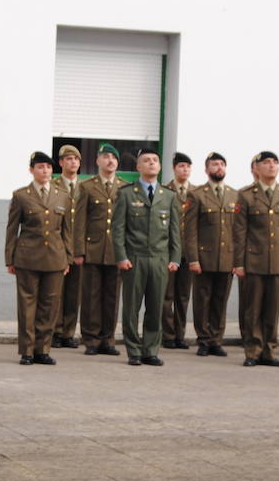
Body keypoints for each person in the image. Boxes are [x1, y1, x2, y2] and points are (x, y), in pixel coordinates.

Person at [113, 148, 181, 365]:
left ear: (159, 166)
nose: (151, 163)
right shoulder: (126, 193)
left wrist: (175, 257)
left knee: (156, 306)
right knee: (131, 307)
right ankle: (133, 351)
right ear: (138, 167)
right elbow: (118, 229)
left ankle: (151, 350)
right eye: (146, 161)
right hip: (135, 258)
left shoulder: (169, 196)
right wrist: (121, 256)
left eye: (155, 160)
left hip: (159, 259)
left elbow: (174, 230)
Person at [234, 151, 279, 366]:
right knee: (253, 309)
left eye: (274, 162)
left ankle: (269, 351)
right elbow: (240, 232)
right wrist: (239, 263)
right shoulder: (245, 195)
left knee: (273, 309)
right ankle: (252, 352)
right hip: (254, 261)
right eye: (266, 163)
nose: (271, 166)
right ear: (257, 168)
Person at [7, 152, 72, 364]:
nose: (45, 171)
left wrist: (67, 259)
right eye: (40, 167)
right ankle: (27, 351)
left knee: (49, 304)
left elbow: (67, 230)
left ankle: (42, 349)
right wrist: (10, 259)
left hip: (54, 257)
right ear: (31, 170)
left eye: (48, 167)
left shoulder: (62, 195)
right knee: (27, 305)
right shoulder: (21, 195)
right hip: (27, 257)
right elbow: (12, 229)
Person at [184, 152, 239, 356]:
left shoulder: (235, 195)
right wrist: (193, 259)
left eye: (222, 164)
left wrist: (238, 260)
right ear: (207, 170)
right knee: (202, 300)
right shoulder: (197, 195)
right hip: (204, 258)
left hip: (227, 258)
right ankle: (204, 340)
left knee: (220, 300)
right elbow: (190, 230)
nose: (219, 168)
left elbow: (238, 230)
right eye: (214, 164)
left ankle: (217, 339)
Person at [75, 144, 127, 355]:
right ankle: (91, 339)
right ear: (97, 161)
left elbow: (128, 222)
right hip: (93, 249)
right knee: (91, 296)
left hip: (116, 251)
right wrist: (79, 250)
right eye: (106, 157)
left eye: (114, 158)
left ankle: (108, 339)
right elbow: (79, 221)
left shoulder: (125, 188)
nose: (110, 161)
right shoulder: (87, 187)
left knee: (112, 297)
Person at [51, 144, 83, 349]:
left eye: (76, 159)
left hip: (78, 247)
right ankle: (55, 330)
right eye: (68, 159)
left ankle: (68, 333)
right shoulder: (53, 185)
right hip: (58, 246)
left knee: (74, 292)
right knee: (56, 291)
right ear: (61, 162)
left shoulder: (86, 187)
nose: (73, 162)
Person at [162, 152, 194, 349]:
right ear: (174, 168)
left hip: (189, 253)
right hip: (168, 251)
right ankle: (168, 334)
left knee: (183, 296)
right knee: (167, 296)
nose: (185, 170)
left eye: (188, 167)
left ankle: (180, 335)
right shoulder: (165, 191)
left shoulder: (197, 193)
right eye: (181, 166)